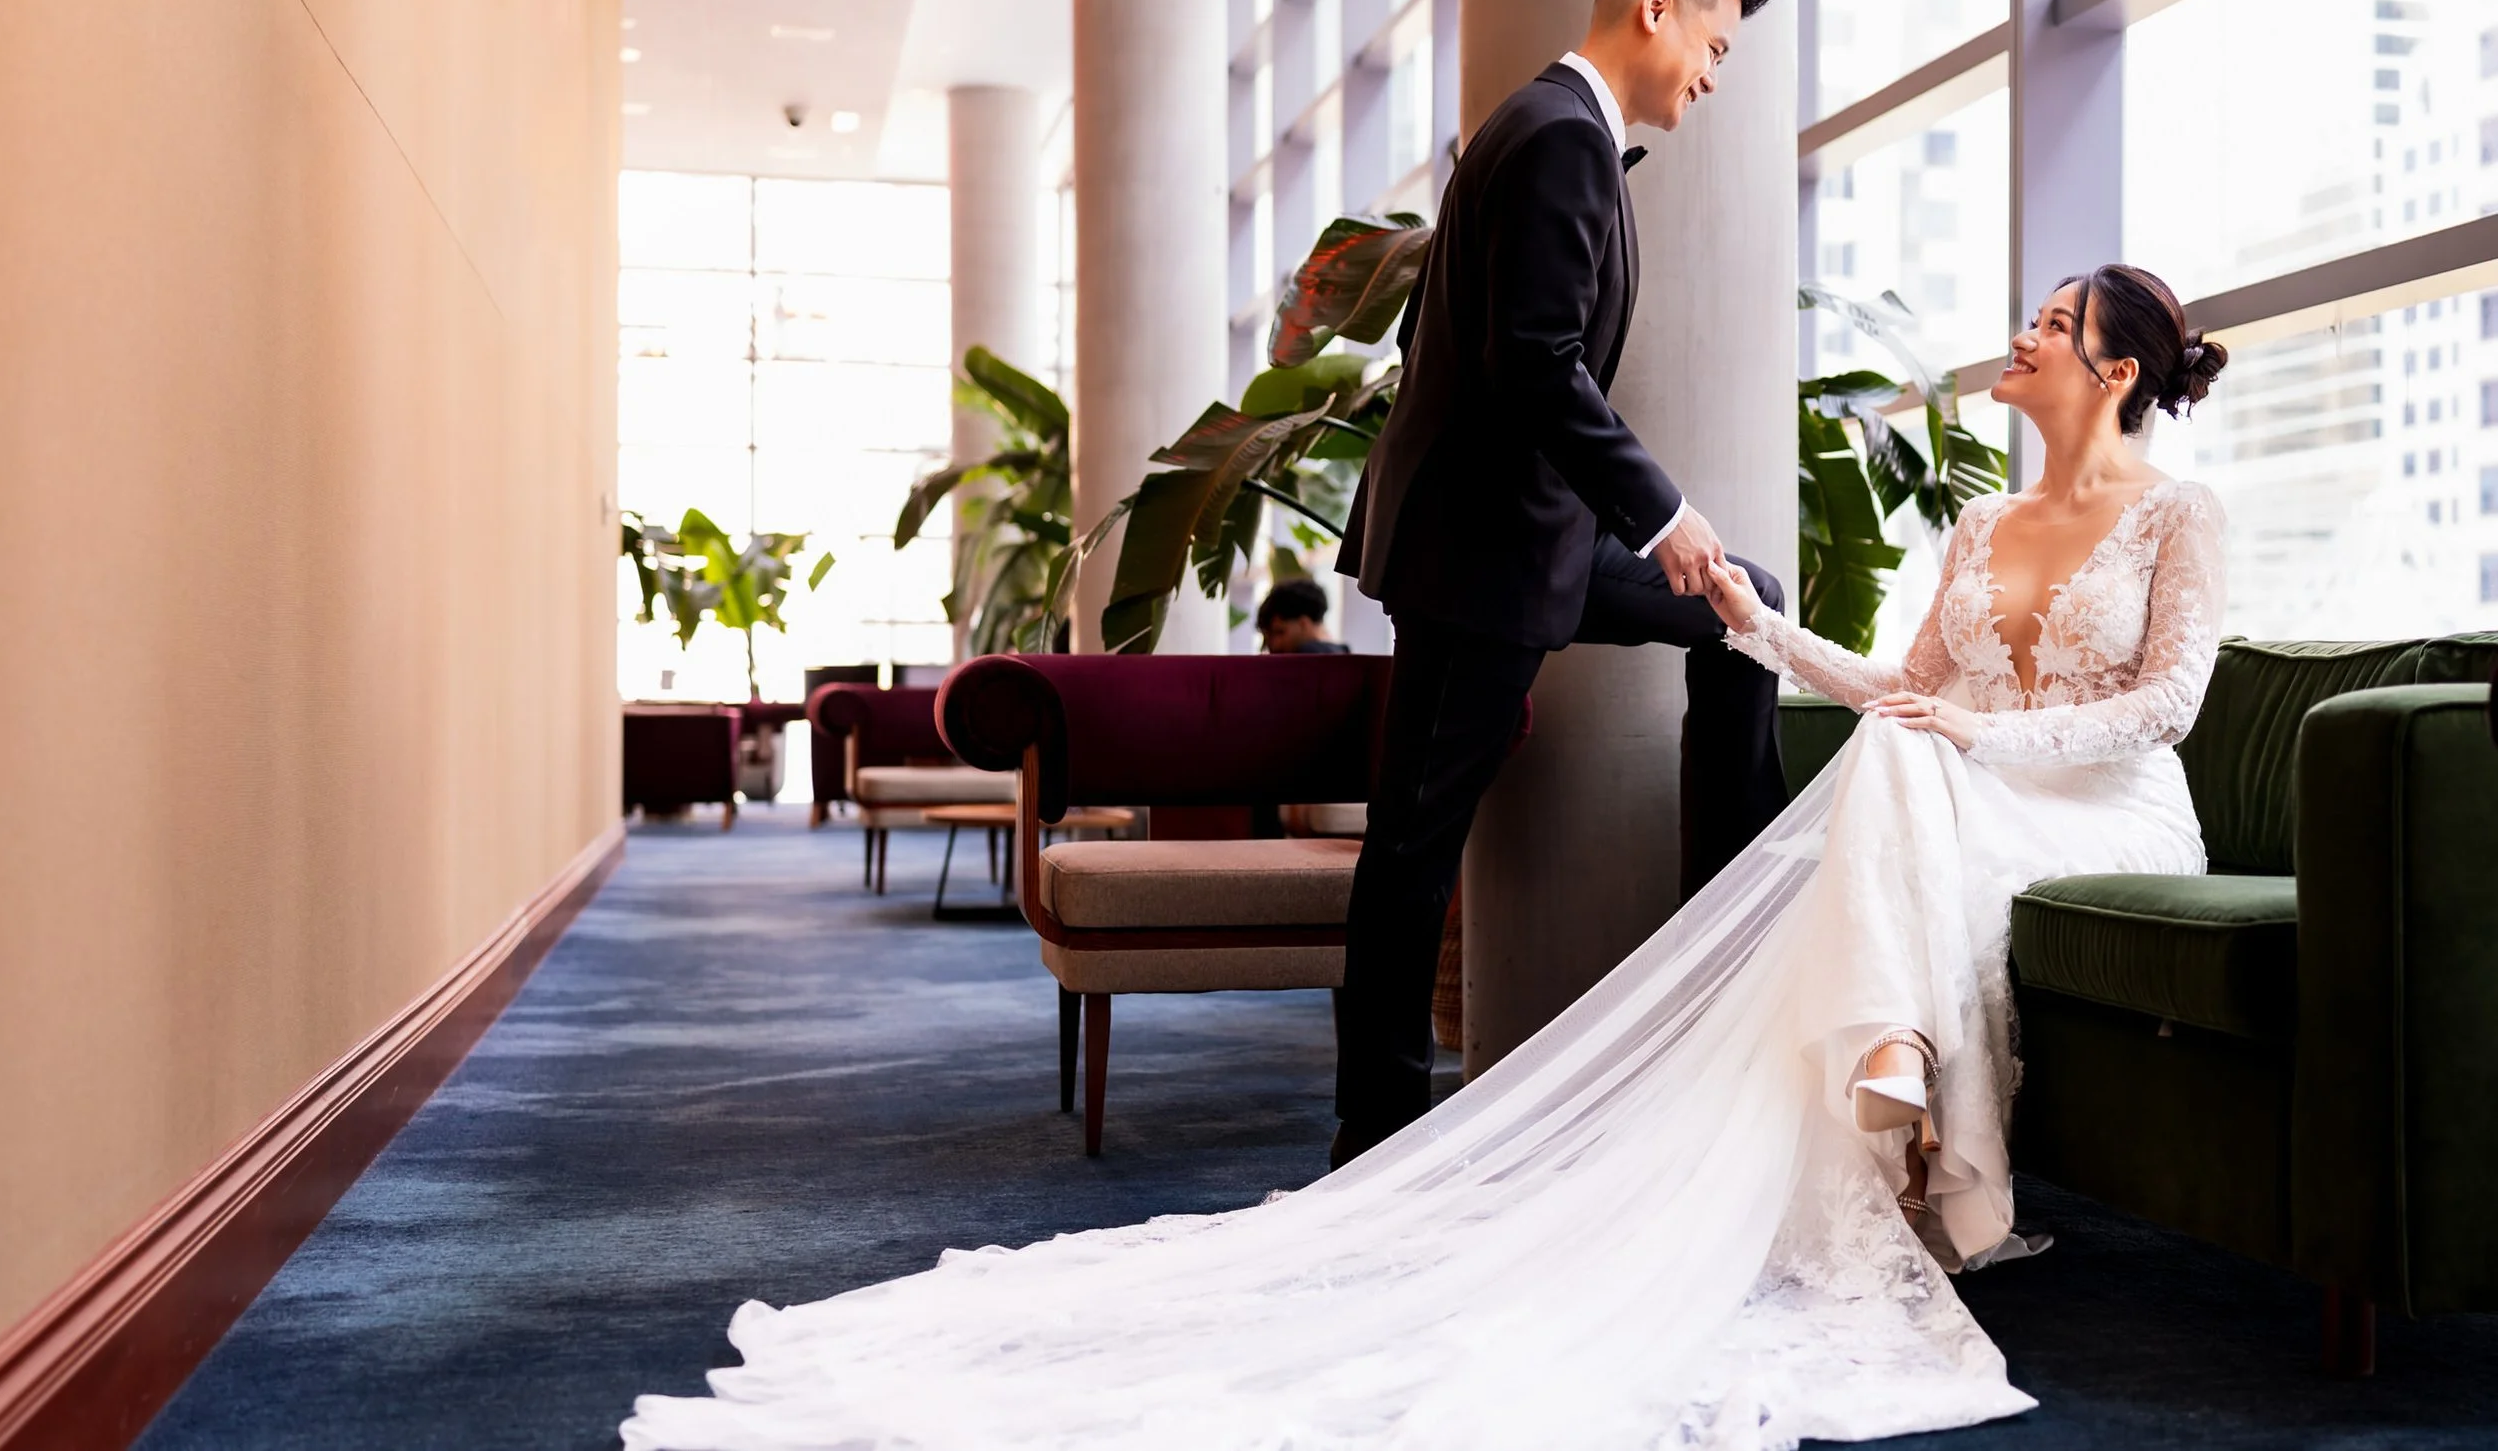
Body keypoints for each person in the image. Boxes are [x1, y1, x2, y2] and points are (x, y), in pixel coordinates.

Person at [621, 263, 2231, 1449]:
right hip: (1954, 779)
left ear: (2115, 369)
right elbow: (1900, 692)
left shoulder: (2179, 516)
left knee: (1908, 755)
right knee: (1890, 736)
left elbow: (2163, 706)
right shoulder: (1975, 534)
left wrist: (1975, 739)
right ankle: (1886, 1052)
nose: (2022, 331)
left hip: (2096, 803)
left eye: (2053, 319)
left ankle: (1885, 1057)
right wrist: (1757, 622)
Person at [1328, 0, 1785, 1166]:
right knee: (1415, 843)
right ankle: (1370, 1146)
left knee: (1747, 607)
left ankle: (1729, 932)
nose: (1713, 73)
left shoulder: (1549, 133)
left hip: (1535, 536)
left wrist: (1662, 536)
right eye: (1713, 42)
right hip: (1483, 557)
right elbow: (1532, 365)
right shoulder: (1558, 140)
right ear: (1655, 8)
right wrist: (1666, 515)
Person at [1256, 578, 1350, 654]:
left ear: (1304, 624)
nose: (1274, 645)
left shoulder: (1308, 655)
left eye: (1280, 632)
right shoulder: (1345, 656)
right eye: (1267, 638)